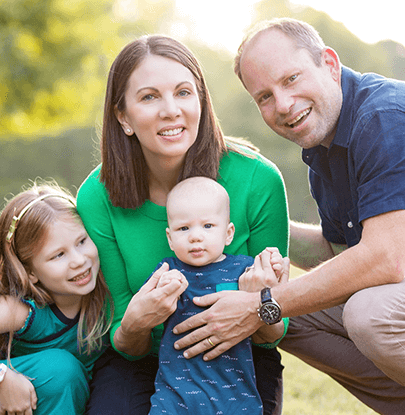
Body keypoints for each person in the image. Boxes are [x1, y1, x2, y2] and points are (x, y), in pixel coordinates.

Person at [171, 17, 405, 415]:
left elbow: (382, 261)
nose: (282, 105)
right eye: (265, 96)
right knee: (286, 321)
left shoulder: (387, 119)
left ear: (330, 64)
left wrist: (260, 306)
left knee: (370, 313)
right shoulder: (324, 149)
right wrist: (252, 219)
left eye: (291, 79)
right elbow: (339, 254)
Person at [76, 35, 289, 415]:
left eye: (184, 92)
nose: (171, 110)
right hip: (141, 361)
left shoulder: (258, 180)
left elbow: (272, 335)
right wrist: (136, 324)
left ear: (202, 102)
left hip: (236, 358)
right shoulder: (97, 195)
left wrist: (261, 305)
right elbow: (122, 337)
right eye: (149, 97)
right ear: (123, 117)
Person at [0, 182, 113, 415]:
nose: (79, 260)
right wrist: (1, 378)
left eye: (81, 241)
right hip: (4, 398)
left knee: (63, 373)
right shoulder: (22, 310)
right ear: (30, 272)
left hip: (58, 397)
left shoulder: (108, 290)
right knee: (59, 369)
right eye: (58, 255)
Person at [149, 176, 288, 414]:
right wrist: (163, 290)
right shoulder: (167, 271)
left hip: (234, 393)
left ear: (228, 233)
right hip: (175, 393)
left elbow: (270, 291)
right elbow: (149, 307)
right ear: (170, 238)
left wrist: (273, 265)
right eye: (184, 228)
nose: (195, 236)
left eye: (208, 226)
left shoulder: (244, 270)